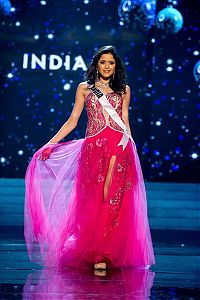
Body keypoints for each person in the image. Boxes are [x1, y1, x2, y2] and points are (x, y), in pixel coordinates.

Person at [24, 45, 155, 271]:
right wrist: (51, 143)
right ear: (97, 64)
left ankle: (105, 253)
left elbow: (124, 119)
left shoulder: (124, 89)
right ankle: (93, 251)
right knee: (92, 200)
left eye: (111, 63)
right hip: (93, 149)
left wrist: (131, 148)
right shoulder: (85, 88)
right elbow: (73, 120)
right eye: (103, 62)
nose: (106, 66)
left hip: (118, 146)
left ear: (116, 67)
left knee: (112, 198)